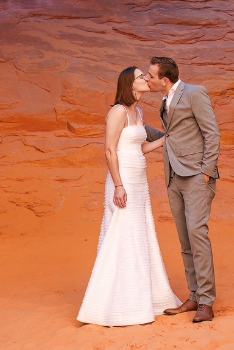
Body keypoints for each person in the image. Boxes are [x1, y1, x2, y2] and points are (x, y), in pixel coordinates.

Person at [77, 67, 180, 326]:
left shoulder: (138, 112)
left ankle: (142, 298)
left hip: (139, 183)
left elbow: (139, 147)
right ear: (129, 84)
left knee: (139, 235)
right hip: (123, 183)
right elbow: (110, 151)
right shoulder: (118, 112)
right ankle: (112, 306)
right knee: (120, 236)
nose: (146, 78)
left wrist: (166, 140)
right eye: (141, 76)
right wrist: (119, 185)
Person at [145, 56, 221, 323]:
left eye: (150, 76)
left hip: (196, 177)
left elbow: (212, 133)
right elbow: (172, 135)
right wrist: (138, 127)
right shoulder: (165, 100)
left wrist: (206, 172)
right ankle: (195, 295)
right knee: (185, 239)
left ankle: (207, 302)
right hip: (173, 176)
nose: (147, 79)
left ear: (163, 80)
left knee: (197, 233)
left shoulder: (195, 93)